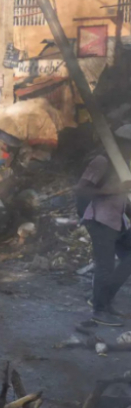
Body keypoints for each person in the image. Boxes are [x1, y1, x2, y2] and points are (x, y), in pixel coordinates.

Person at [76, 127, 131, 326]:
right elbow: (81, 189)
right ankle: (99, 310)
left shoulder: (124, 165)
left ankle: (104, 298)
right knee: (105, 266)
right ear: (120, 143)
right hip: (100, 220)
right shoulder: (102, 161)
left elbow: (123, 199)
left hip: (117, 221)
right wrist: (113, 190)